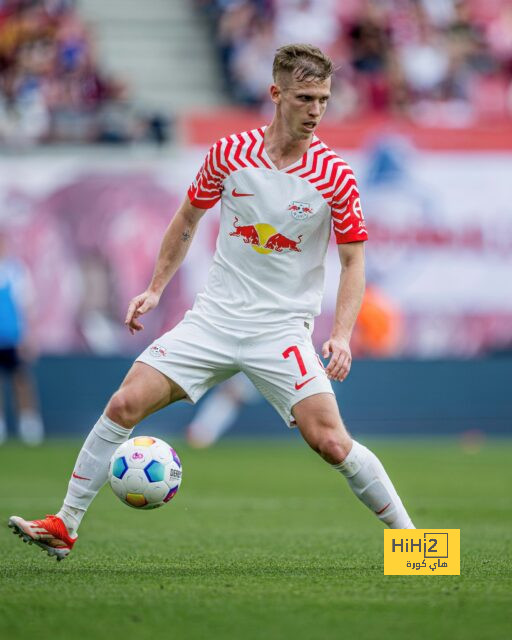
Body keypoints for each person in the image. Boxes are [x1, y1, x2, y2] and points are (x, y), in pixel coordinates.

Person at [8, 43, 414, 560]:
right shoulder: (229, 154)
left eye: (324, 99)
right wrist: (155, 288)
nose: (316, 111)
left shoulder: (334, 175)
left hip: (281, 329)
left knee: (332, 443)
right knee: (124, 403)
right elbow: (185, 220)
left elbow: (355, 263)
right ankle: (65, 524)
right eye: (305, 97)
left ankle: (414, 544)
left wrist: (340, 334)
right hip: (213, 320)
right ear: (275, 94)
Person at [0, 231, 44, 446]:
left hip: (13, 337)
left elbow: (27, 306)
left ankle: (29, 425)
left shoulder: (16, 271)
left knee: (21, 380)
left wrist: (28, 337)